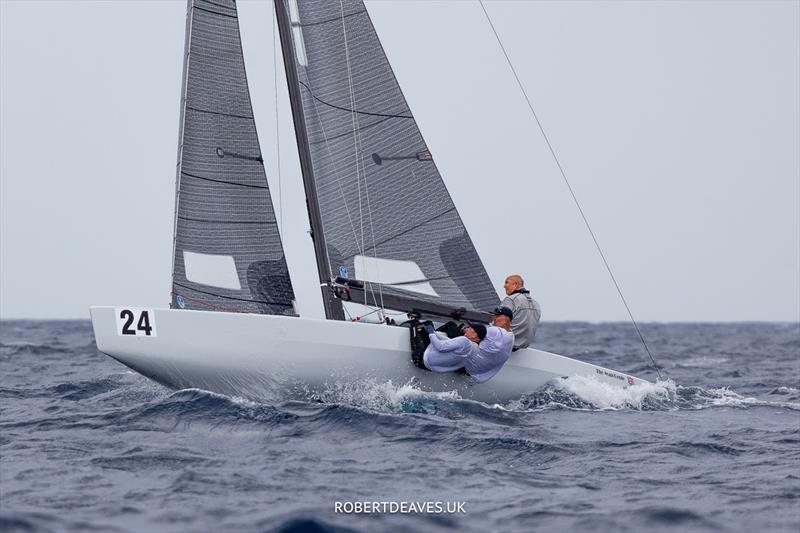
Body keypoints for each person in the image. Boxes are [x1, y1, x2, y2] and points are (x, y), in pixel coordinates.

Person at [501, 274, 541, 350]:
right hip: (523, 345)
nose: (504, 286)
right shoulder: (535, 303)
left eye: (506, 282)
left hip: (508, 345)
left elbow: (500, 322)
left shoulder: (510, 300)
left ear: (515, 284)